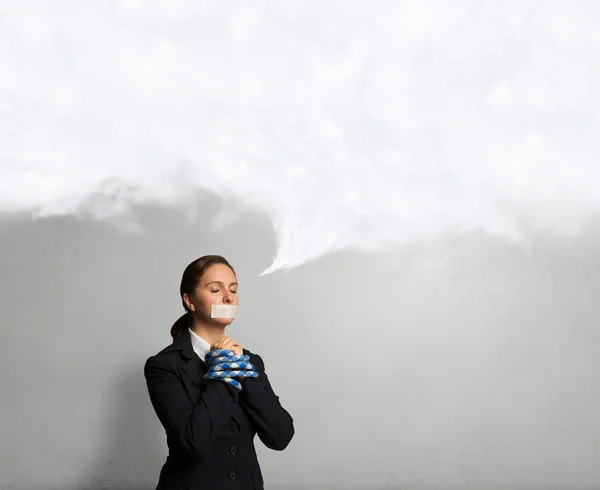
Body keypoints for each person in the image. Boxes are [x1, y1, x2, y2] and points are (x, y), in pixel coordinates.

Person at [144, 255, 294, 489]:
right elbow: (193, 442)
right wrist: (223, 369)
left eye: (233, 290)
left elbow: (280, 436)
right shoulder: (164, 366)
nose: (228, 297)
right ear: (190, 300)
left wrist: (244, 374)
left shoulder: (250, 361)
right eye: (215, 289)